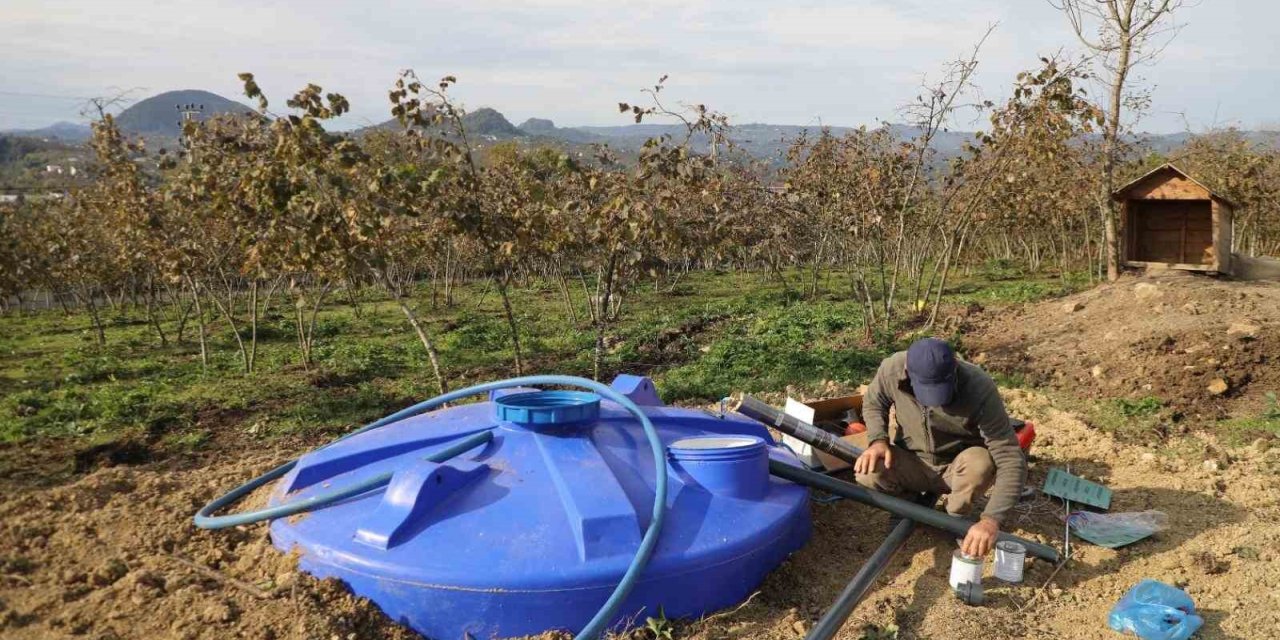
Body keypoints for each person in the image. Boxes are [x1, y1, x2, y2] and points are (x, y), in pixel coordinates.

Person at [854, 337, 1026, 557]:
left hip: (956, 468)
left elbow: (1010, 456)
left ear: (955, 367)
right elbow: (874, 403)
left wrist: (991, 520)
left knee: (980, 463)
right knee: (868, 470)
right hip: (912, 461)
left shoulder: (978, 386)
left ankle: (955, 516)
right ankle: (908, 505)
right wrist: (878, 440)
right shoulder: (892, 369)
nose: (934, 400)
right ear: (908, 370)